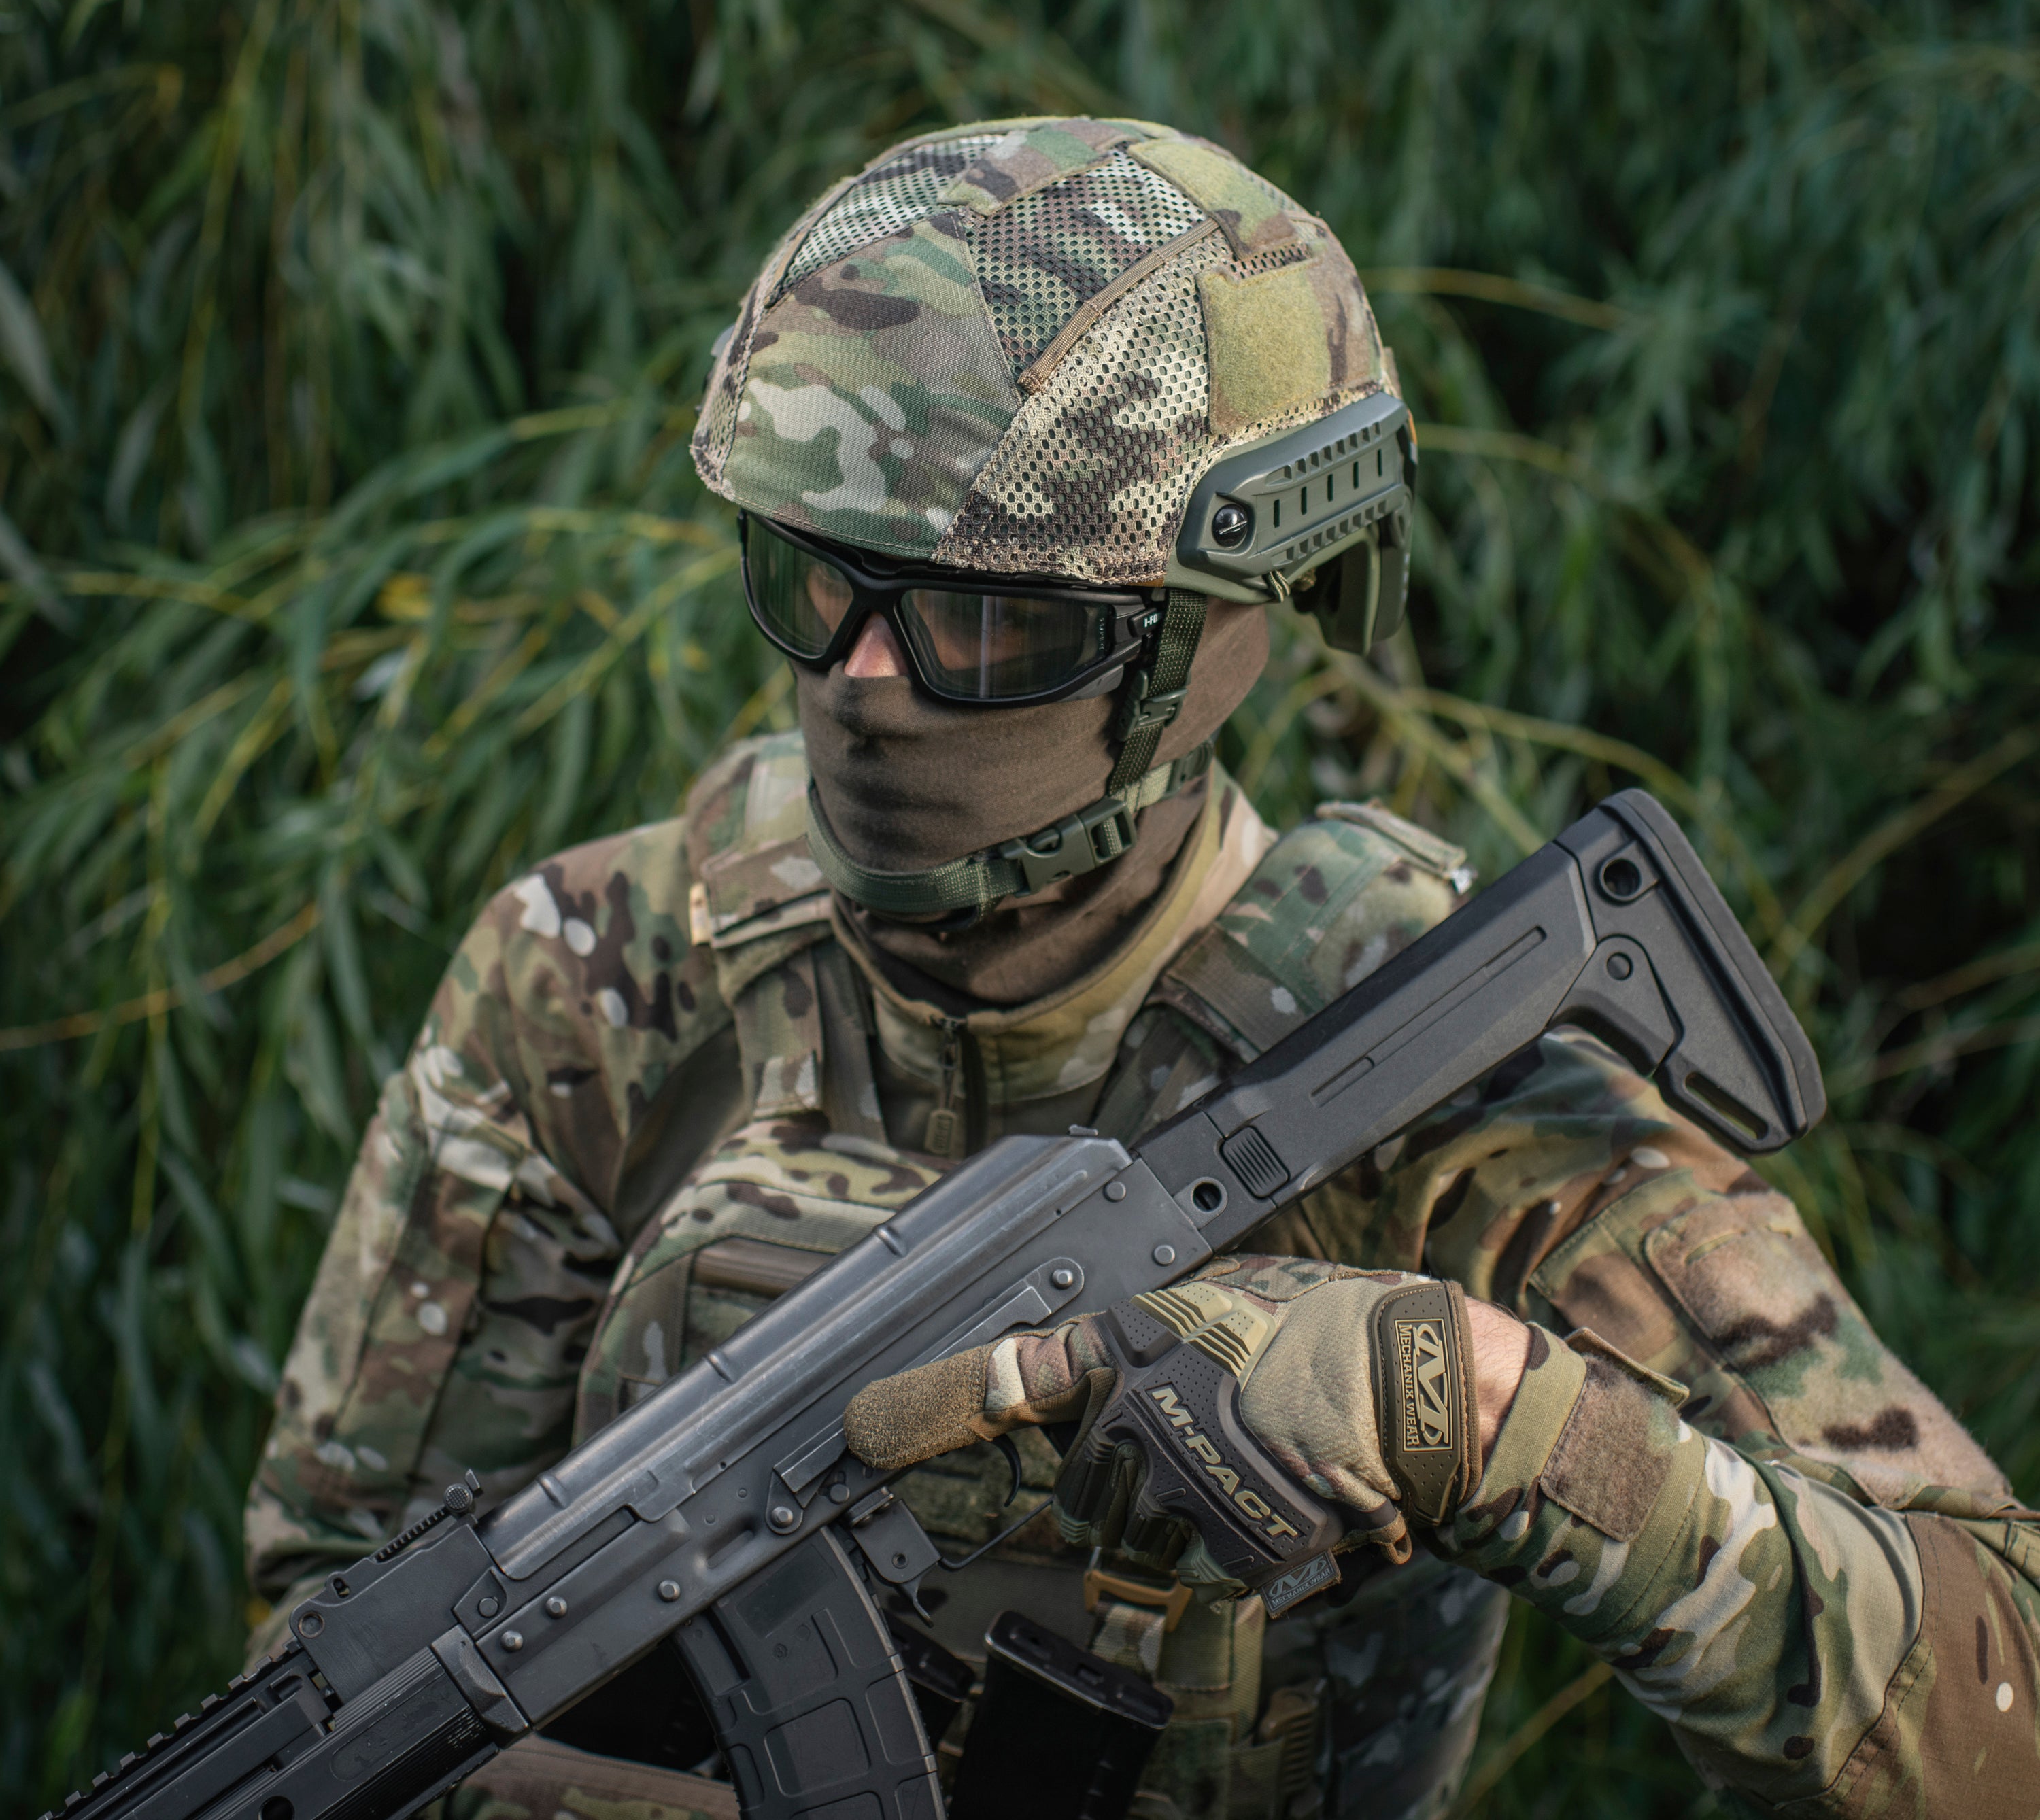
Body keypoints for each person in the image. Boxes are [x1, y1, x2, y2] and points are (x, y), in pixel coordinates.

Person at [247, 118, 2037, 1820]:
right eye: (812, 580)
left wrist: (1481, 1415)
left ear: (1206, 644)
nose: (861, 684)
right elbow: (343, 1650)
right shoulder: (604, 976)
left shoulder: (1434, 1061)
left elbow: (2000, 1707)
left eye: (983, 623)